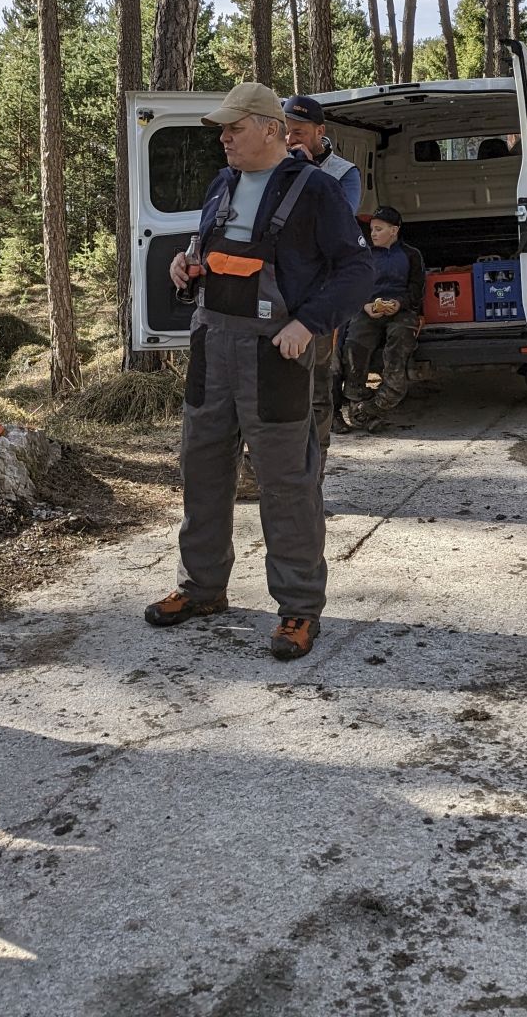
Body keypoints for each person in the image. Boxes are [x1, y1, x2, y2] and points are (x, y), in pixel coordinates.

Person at [145, 83, 372, 661]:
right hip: (212, 347)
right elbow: (210, 251)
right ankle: (201, 589)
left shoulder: (316, 190)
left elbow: (357, 271)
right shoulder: (221, 183)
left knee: (286, 483)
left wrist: (310, 323)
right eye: (222, 129)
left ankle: (299, 608)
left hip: (275, 355)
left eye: (234, 128)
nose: (223, 138)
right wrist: (186, 265)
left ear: (271, 129)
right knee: (202, 469)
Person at [281, 95, 360, 456]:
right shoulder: (271, 165)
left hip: (318, 298)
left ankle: (314, 468)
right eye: (284, 131)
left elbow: (338, 226)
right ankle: (258, 472)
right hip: (273, 294)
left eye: (298, 132)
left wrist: (308, 173)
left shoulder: (344, 173)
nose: (290, 139)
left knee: (315, 388)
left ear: (319, 131)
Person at [342, 206, 427, 430]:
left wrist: (399, 303)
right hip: (369, 309)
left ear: (394, 230)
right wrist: (365, 305)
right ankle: (357, 400)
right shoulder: (364, 256)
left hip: (402, 312)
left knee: (399, 341)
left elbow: (417, 289)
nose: (373, 234)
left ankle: (384, 398)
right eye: (372, 229)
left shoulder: (411, 255)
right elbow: (353, 286)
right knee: (354, 345)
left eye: (379, 229)